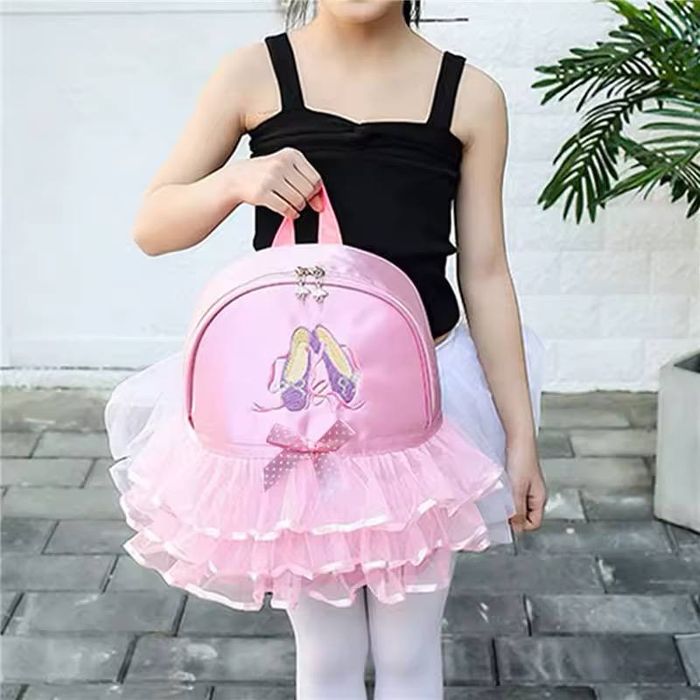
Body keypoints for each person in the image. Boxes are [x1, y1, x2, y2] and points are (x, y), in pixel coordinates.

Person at [105, 1, 548, 698]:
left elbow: (485, 272)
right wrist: (235, 182)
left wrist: (520, 435)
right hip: (297, 413)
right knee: (327, 651)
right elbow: (152, 227)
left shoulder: (471, 96)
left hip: (421, 404)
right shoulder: (253, 73)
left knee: (409, 649)